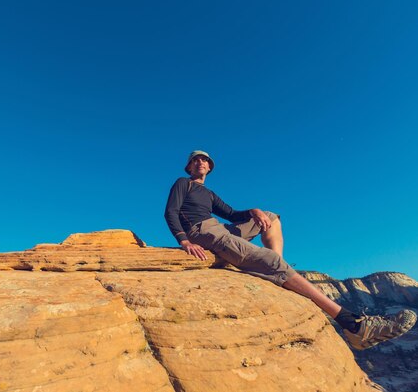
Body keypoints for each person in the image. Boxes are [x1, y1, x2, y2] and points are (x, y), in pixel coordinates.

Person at [165, 150, 416, 350]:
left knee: (271, 217)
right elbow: (171, 212)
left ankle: (277, 267)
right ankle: (354, 325)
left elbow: (231, 214)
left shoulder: (208, 193)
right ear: (189, 167)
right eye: (196, 159)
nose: (200, 162)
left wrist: (254, 210)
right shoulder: (183, 184)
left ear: (209, 167)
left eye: (205, 160)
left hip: (220, 227)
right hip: (203, 231)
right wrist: (184, 240)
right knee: (271, 262)